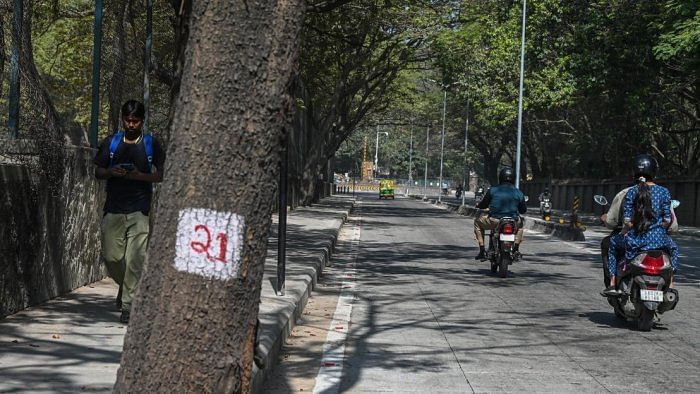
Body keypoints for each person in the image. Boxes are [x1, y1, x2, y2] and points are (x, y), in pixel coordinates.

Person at [94, 100, 166, 323]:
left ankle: (128, 305)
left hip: (140, 209)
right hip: (113, 208)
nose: (131, 124)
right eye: (128, 120)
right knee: (112, 257)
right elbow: (98, 171)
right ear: (123, 119)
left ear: (142, 120)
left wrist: (138, 176)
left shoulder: (151, 144)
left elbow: (161, 175)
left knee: (135, 258)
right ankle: (126, 288)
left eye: (135, 120)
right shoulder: (111, 143)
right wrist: (111, 172)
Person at [603, 154, 680, 296]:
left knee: (613, 245)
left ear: (635, 172)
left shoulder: (631, 192)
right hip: (660, 240)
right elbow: (668, 220)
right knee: (674, 249)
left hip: (635, 239)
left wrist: (637, 228)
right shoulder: (664, 192)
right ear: (654, 172)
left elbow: (627, 220)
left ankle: (613, 284)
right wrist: (656, 229)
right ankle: (671, 284)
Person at [474, 167, 527, 260]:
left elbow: (484, 204)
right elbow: (523, 210)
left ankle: (482, 250)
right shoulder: (519, 192)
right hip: (513, 222)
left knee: (477, 223)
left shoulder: (493, 190)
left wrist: (478, 205)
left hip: (495, 221)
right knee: (521, 226)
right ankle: (516, 249)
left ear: (500, 177)